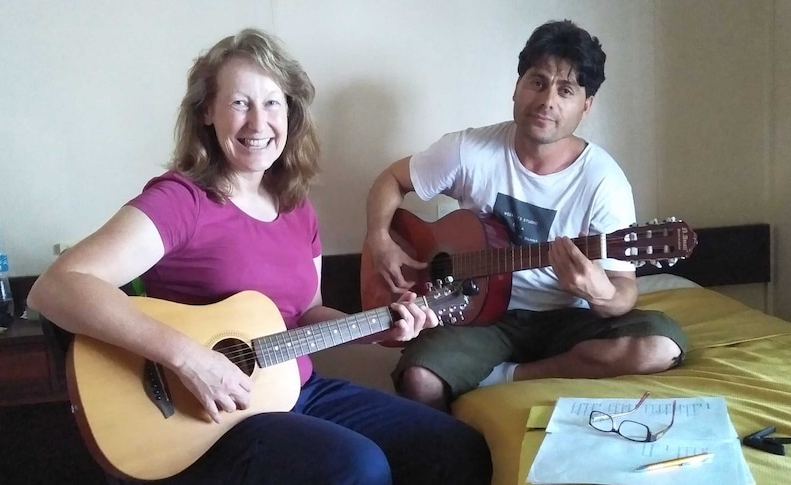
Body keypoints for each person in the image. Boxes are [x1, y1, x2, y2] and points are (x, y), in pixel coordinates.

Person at [28, 28, 491, 485]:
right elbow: (58, 285)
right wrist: (190, 360)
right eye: (238, 103)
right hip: (208, 414)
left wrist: (377, 329)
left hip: (295, 391)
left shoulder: (296, 207)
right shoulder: (181, 201)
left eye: (272, 103)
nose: (257, 123)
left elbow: (306, 313)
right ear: (207, 111)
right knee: (358, 466)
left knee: (456, 449)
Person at [364, 19, 688, 412]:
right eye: (538, 82)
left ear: (586, 105)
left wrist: (598, 293)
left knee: (661, 345)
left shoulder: (604, 181)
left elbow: (624, 288)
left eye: (565, 90)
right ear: (517, 87)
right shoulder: (470, 150)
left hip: (565, 320)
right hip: (479, 318)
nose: (547, 100)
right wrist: (380, 238)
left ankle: (507, 376)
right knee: (419, 379)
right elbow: (391, 180)